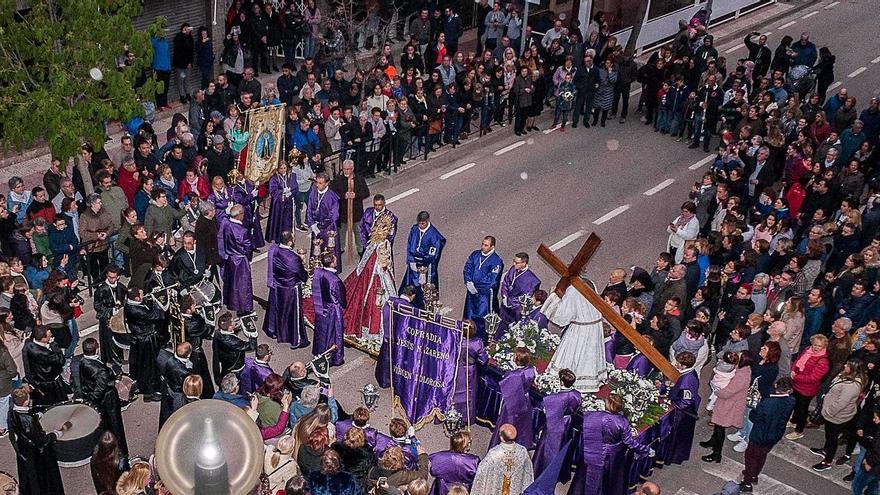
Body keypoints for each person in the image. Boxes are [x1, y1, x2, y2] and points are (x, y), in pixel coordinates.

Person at [569, 394, 652, 495]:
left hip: (592, 450)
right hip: (611, 456)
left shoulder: (592, 415)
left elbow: (580, 425)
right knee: (608, 482)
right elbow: (629, 442)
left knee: (586, 477)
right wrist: (645, 449)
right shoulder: (622, 422)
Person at [541, 284, 607, 393]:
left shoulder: (572, 290)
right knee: (589, 356)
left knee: (574, 355)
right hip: (594, 327)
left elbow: (562, 318)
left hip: (581, 329)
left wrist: (554, 298)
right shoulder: (589, 283)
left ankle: (570, 380)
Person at [343, 212, 396, 339]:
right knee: (373, 303)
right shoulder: (375, 245)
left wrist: (387, 264)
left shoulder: (387, 244)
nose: (386, 233)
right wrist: (379, 267)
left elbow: (388, 259)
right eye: (384, 230)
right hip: (374, 278)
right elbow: (368, 264)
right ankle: (372, 330)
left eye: (387, 230)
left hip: (384, 276)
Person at [8, 387, 69, 494]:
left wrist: (36, 417)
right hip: (35, 453)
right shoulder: (28, 420)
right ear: (26, 401)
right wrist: (57, 433)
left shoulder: (12, 412)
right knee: (41, 479)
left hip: (23, 450)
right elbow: (42, 440)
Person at [739, 377, 796, 492]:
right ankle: (754, 475)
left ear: (776, 386)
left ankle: (747, 482)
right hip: (775, 434)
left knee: (751, 457)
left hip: (760, 434)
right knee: (762, 455)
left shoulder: (767, 403)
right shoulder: (791, 401)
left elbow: (754, 416)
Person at [811, 358, 865, 471]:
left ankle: (827, 461)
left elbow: (841, 403)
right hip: (832, 413)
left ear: (853, 369)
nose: (845, 365)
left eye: (848, 365)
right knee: (829, 435)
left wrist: (828, 412)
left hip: (836, 416)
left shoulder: (852, 385)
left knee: (832, 438)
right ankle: (825, 450)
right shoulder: (844, 375)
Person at [79, 338, 129, 458]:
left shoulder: (83, 361)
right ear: (96, 349)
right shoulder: (100, 370)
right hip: (107, 400)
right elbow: (100, 389)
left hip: (94, 396)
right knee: (115, 425)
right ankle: (120, 453)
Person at [700, 350, 752, 462]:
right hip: (726, 403)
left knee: (720, 429)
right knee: (718, 426)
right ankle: (712, 442)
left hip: (729, 405)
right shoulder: (740, 369)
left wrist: (717, 390)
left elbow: (728, 391)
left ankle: (716, 454)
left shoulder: (742, 374)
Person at [533, 368, 581, 480]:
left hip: (555, 423)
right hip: (567, 422)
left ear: (562, 382)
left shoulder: (555, 397)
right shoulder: (577, 395)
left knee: (548, 447)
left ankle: (541, 470)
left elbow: (545, 410)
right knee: (562, 446)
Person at [264, 231, 309, 348]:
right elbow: (301, 274)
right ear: (290, 242)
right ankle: (297, 340)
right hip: (290, 288)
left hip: (278, 286)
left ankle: (273, 330)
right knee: (293, 313)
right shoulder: (293, 258)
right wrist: (305, 277)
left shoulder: (274, 250)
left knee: (278, 309)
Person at [490, 347, 536, 449]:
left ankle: (502, 441)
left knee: (508, 420)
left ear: (517, 359)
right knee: (522, 423)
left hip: (512, 401)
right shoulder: (531, 370)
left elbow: (504, 386)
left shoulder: (513, 375)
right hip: (525, 399)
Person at [659, 351, 701, 465]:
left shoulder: (688, 379)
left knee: (676, 435)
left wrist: (671, 404)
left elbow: (686, 400)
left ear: (684, 365)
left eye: (678, 363)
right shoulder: (688, 374)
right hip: (681, 407)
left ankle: (673, 457)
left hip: (682, 413)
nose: (675, 364)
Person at [786, 334, 830, 440]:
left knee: (802, 410)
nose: (815, 347)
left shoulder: (823, 361)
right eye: (814, 345)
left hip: (807, 389)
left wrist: (796, 376)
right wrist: (793, 369)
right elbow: (798, 360)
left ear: (824, 346)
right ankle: (793, 421)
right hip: (797, 384)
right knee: (796, 405)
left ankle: (799, 430)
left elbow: (813, 378)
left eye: (819, 346)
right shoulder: (807, 350)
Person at [400, 211, 447, 308]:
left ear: (427, 221)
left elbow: (433, 254)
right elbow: (409, 245)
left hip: (425, 267)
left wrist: (422, 263)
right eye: (419, 223)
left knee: (424, 292)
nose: (420, 226)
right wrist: (410, 260)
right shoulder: (414, 229)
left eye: (422, 223)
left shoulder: (434, 235)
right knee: (408, 287)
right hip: (413, 265)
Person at [471, 424, 534, 495]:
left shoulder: (495, 453)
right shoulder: (522, 451)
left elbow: (482, 472)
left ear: (501, 437)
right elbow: (528, 474)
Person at [462, 236, 504, 338]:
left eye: (486, 245)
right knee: (469, 315)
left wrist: (476, 286)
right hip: (471, 293)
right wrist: (468, 281)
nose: (483, 247)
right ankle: (466, 335)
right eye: (482, 244)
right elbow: (467, 267)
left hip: (484, 296)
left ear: (492, 247)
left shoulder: (496, 261)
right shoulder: (475, 254)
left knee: (481, 319)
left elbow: (492, 280)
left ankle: (481, 341)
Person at [331, 159, 371, 258]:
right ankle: (340, 248)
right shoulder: (338, 180)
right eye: (345, 169)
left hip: (356, 212)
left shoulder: (359, 179)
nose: (346, 171)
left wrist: (355, 195)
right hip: (342, 212)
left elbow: (366, 193)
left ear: (352, 169)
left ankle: (360, 249)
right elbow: (333, 193)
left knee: (358, 231)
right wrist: (343, 195)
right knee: (341, 232)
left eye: (348, 169)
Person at [219, 204, 254, 314]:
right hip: (240, 261)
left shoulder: (226, 224)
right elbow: (247, 247)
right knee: (243, 285)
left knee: (232, 283)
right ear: (239, 215)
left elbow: (220, 238)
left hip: (230, 259)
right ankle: (243, 308)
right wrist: (248, 257)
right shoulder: (242, 231)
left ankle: (232, 302)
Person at [313, 253, 346, 366]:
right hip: (333, 308)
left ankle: (319, 351)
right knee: (335, 333)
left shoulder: (319, 272)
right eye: (335, 260)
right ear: (332, 263)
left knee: (321, 331)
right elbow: (340, 297)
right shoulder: (335, 280)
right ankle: (335, 358)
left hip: (321, 305)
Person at [497, 252, 541, 338]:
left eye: (517, 262)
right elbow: (505, 283)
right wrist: (505, 296)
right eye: (514, 261)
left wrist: (510, 302)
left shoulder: (532, 280)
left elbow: (526, 297)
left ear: (524, 263)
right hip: (505, 307)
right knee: (501, 328)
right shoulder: (513, 269)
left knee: (512, 332)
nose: (514, 264)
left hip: (517, 310)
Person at [22, 325, 67, 406]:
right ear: (43, 338)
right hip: (49, 383)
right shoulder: (44, 353)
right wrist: (54, 345)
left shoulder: (28, 344)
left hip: (37, 380)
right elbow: (61, 361)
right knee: (57, 403)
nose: (51, 336)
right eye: (49, 336)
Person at [212, 312, 256, 386]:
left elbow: (231, 331)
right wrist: (253, 334)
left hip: (225, 361)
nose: (234, 322)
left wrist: (239, 325)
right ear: (229, 327)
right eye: (232, 322)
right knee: (235, 384)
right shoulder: (233, 342)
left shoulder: (218, 332)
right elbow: (251, 346)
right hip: (235, 367)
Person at [429, 430, 479, 495]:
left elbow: (433, 471)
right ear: (466, 446)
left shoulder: (439, 457)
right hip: (463, 490)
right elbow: (476, 476)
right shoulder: (474, 461)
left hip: (442, 487)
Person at [307, 173, 342, 267]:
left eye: (320, 183)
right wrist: (311, 223)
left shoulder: (332, 197)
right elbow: (309, 208)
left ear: (327, 183)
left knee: (329, 249)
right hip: (316, 226)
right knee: (316, 248)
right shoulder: (313, 192)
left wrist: (320, 225)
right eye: (317, 183)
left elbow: (333, 215)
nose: (317, 185)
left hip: (328, 228)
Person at [158, 341, 192, 429]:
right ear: (188, 355)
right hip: (178, 395)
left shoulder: (168, 360)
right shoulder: (185, 372)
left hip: (168, 390)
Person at [266, 160, 297, 243]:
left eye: (285, 168)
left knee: (287, 220)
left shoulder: (291, 175)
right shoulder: (274, 178)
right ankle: (277, 238)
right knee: (279, 220)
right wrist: (282, 191)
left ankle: (288, 237)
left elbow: (295, 186)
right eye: (281, 168)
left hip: (288, 202)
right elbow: (272, 191)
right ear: (278, 169)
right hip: (278, 204)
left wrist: (291, 192)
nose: (283, 170)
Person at [90, 431, 127, 495]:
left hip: (103, 490)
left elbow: (95, 478)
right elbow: (124, 479)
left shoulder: (94, 458)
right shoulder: (121, 461)